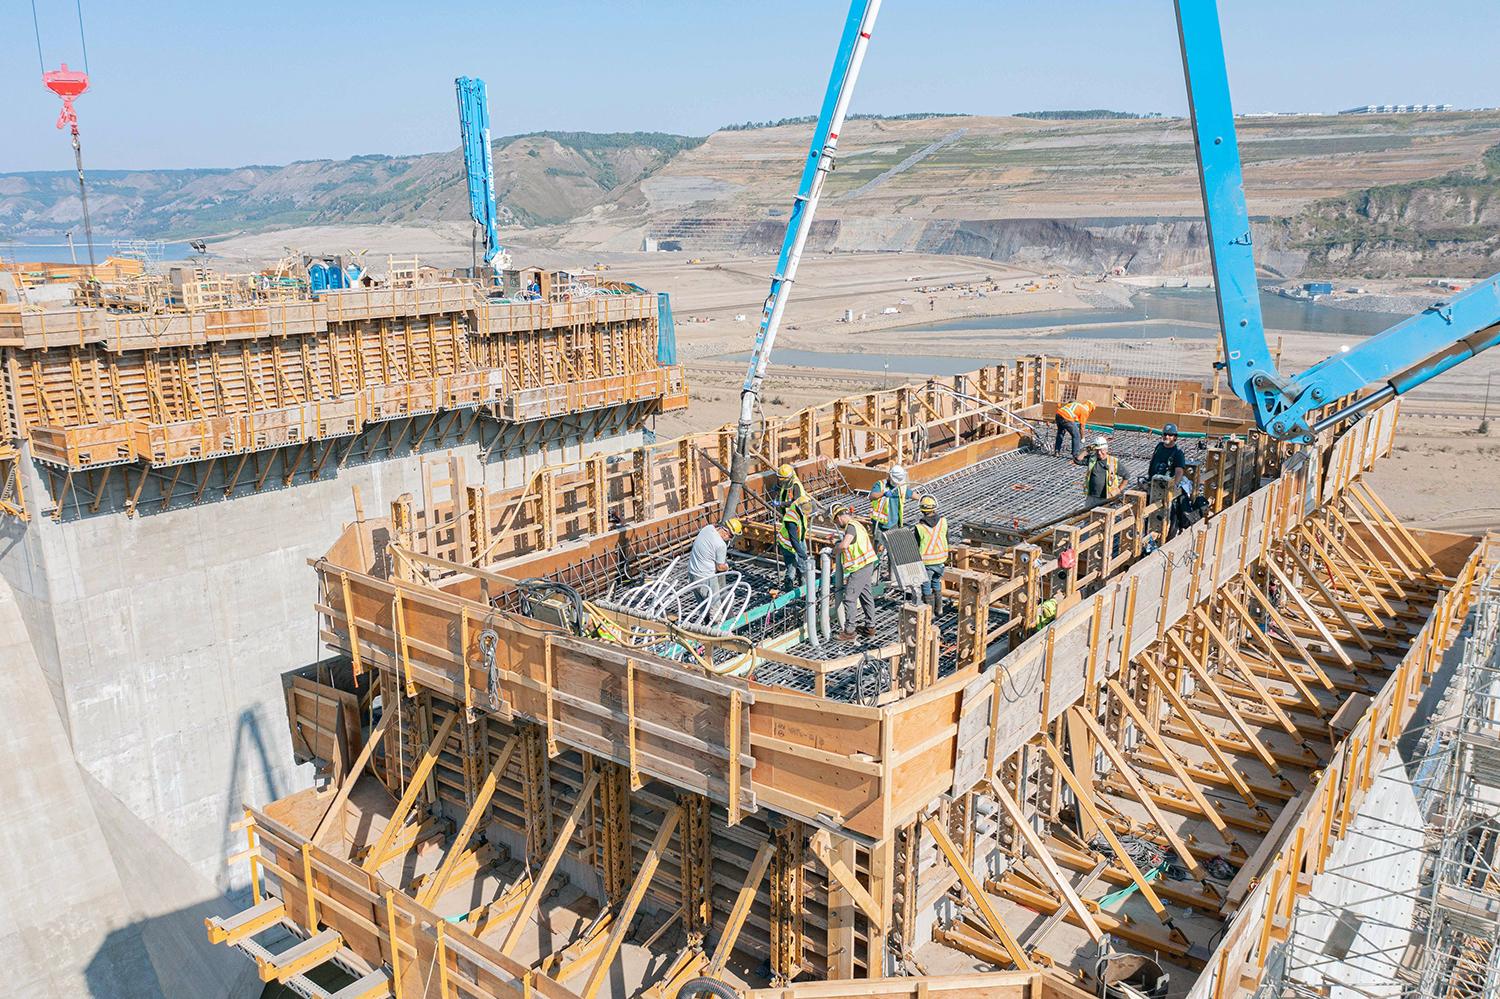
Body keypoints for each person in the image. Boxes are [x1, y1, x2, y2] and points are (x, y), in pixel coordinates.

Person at [832, 506, 877, 640]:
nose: (837, 524)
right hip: (867, 564)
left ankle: (849, 631)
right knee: (866, 595)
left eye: (835, 521)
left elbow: (845, 545)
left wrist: (835, 549)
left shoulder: (850, 527)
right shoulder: (857, 524)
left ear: (839, 517)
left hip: (860, 567)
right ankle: (870, 627)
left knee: (850, 598)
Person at [869, 464, 914, 576]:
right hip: (880, 524)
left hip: (894, 524)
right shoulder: (880, 485)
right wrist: (883, 494)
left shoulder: (901, 487)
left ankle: (892, 576)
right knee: (877, 550)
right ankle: (874, 576)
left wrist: (923, 498)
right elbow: (872, 496)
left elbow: (911, 494)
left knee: (893, 552)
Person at [914, 495, 952, 614]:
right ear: (935, 508)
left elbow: (916, 545)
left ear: (922, 510)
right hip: (941, 560)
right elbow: (946, 539)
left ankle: (929, 612)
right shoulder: (943, 522)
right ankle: (939, 609)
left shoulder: (919, 527)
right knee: (936, 581)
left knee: (926, 584)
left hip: (927, 562)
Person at [687, 519, 741, 596]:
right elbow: (720, 567)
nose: (730, 539)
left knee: (703, 606)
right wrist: (727, 566)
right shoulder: (721, 545)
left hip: (692, 573)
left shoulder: (707, 528)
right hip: (706, 578)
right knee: (715, 606)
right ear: (727, 533)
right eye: (731, 536)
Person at [775, 496, 809, 591]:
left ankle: (803, 586)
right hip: (787, 544)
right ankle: (789, 588)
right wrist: (802, 554)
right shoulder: (791, 518)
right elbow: (793, 540)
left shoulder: (801, 506)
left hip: (799, 540)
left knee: (803, 566)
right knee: (792, 566)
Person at [1148, 423, 1188, 492]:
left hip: (1165, 486)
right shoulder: (1159, 446)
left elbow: (1179, 471)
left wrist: (1175, 485)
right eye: (1165, 434)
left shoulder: (1178, 453)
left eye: (1170, 435)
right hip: (1152, 482)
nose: (1167, 436)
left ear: (1175, 437)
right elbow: (1152, 460)